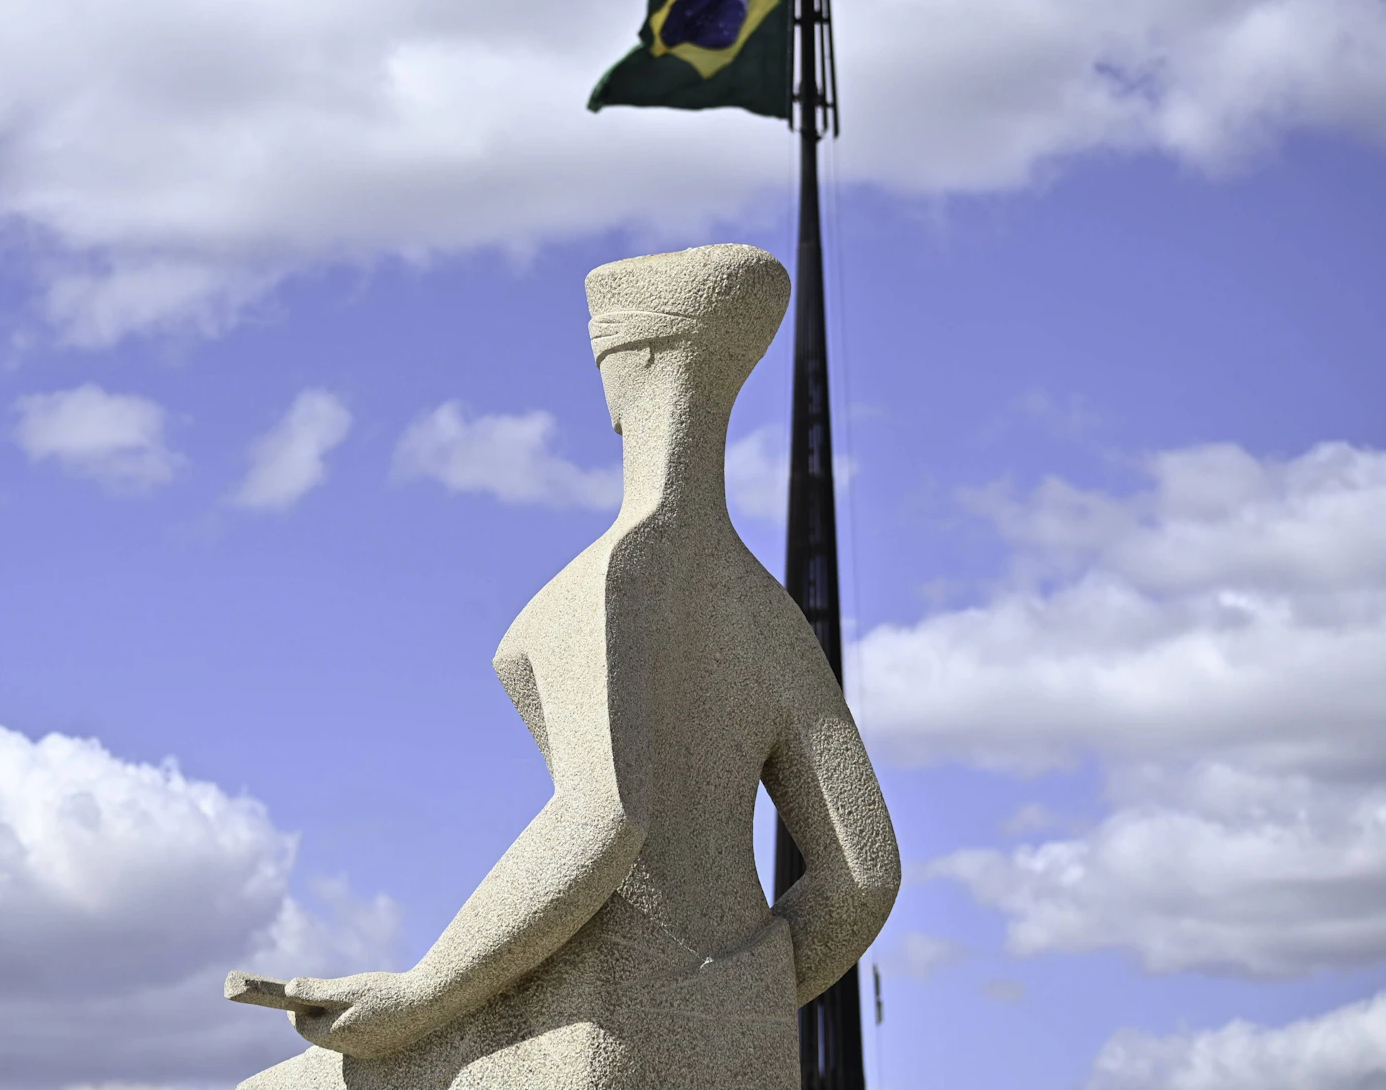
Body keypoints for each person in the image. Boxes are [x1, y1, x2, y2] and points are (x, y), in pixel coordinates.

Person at [236, 244, 899, 1090]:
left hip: (595, 1021)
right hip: (743, 1044)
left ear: (643, 360)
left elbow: (604, 820)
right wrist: (732, 1009)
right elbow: (862, 874)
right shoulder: (768, 612)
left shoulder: (614, 575)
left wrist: (420, 995)